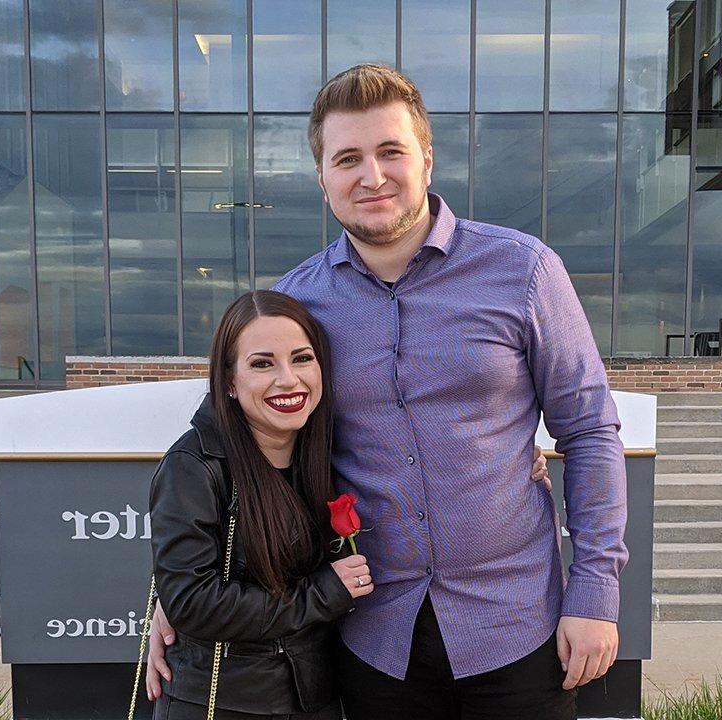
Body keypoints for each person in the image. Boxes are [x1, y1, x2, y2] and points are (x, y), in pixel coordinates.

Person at [149, 64, 628, 720]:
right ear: (323, 178)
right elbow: (224, 443)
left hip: (519, 628)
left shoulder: (523, 271)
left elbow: (590, 431)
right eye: (347, 158)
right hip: (373, 639)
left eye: (390, 151)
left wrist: (594, 594)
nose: (371, 176)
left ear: (426, 160)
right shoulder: (296, 304)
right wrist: (170, 597)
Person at [146, 290, 551, 720]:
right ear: (228, 380)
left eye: (302, 358)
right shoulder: (194, 465)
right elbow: (191, 602)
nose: (288, 379)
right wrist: (324, 594)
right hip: (228, 702)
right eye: (262, 363)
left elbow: (413, 461)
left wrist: (505, 458)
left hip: (316, 696)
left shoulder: (324, 452)